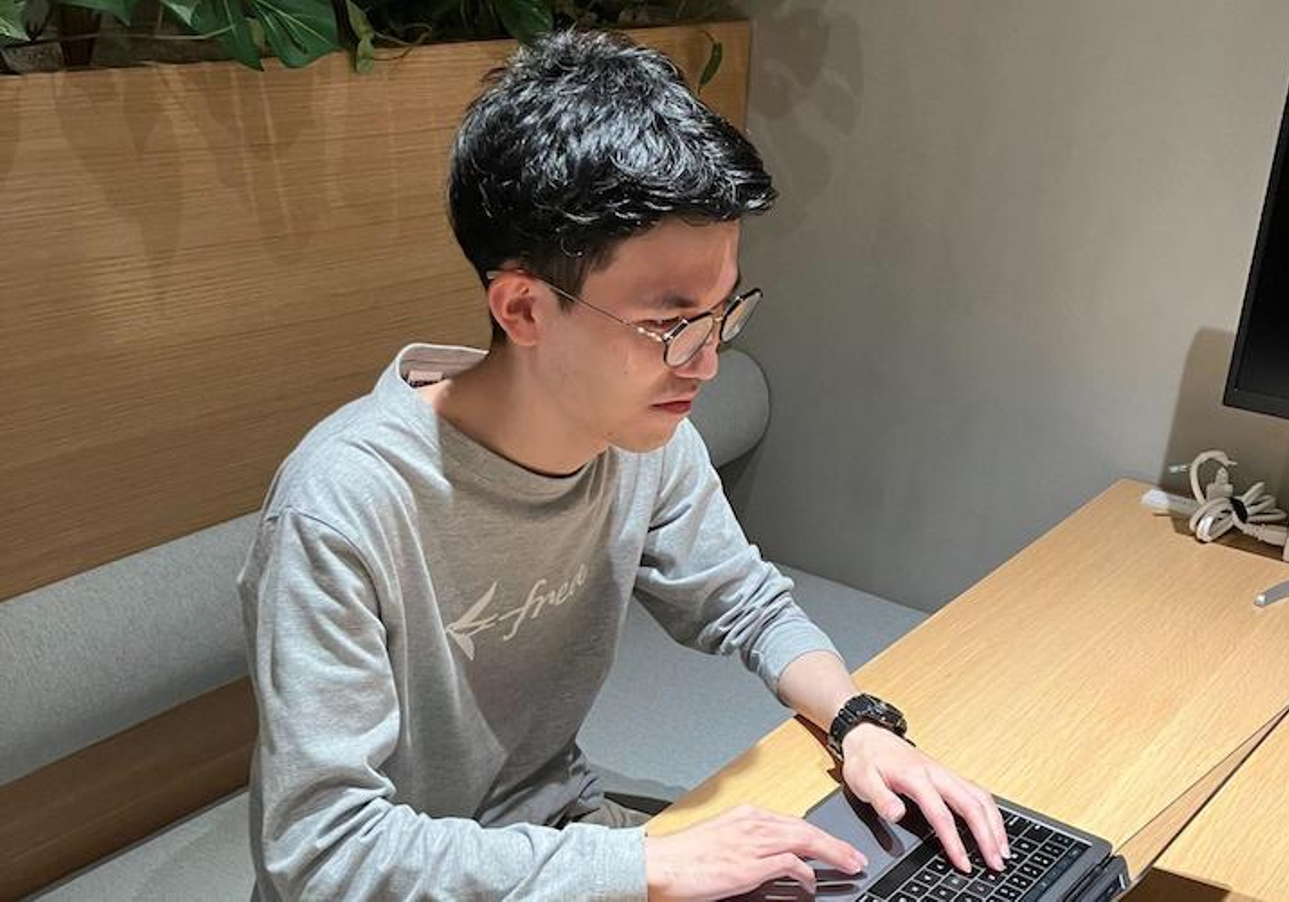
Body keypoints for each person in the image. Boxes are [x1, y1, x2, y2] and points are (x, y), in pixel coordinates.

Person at [238, 28, 1009, 901]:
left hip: (564, 837)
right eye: (669, 324)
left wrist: (862, 725)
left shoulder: (643, 435)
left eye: (721, 314)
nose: (705, 364)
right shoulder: (343, 506)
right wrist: (648, 865)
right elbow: (324, 854)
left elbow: (745, 603)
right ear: (524, 309)